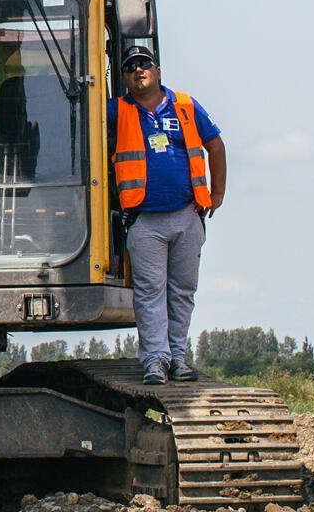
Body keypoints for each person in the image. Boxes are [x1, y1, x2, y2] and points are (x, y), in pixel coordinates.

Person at [112, 45, 227, 385]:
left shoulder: (186, 106)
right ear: (124, 78)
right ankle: (155, 361)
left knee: (182, 291)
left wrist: (217, 193)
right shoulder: (117, 110)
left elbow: (216, 145)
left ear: (158, 70)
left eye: (144, 64)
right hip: (144, 220)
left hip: (187, 216)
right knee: (150, 294)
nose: (138, 71)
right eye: (130, 67)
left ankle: (178, 357)